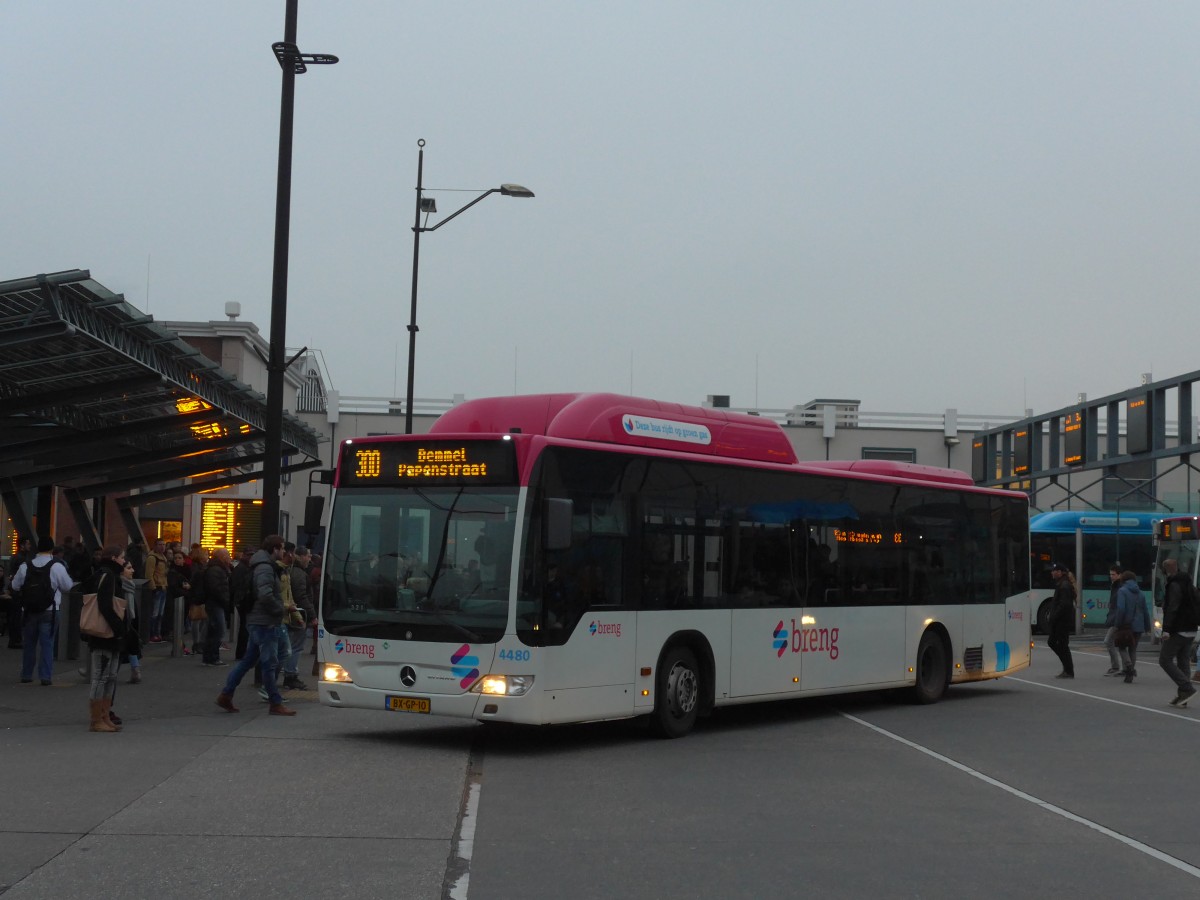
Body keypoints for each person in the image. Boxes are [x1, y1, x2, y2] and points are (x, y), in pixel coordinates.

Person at [215, 535, 296, 716]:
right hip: (264, 621)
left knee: (249, 660)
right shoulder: (265, 568)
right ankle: (275, 702)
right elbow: (265, 595)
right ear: (274, 549)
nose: (283, 552)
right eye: (281, 548)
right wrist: (280, 609)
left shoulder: (259, 565)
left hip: (258, 619)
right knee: (268, 663)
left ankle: (226, 694)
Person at [12, 536, 75, 686]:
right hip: (50, 610)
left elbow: (15, 585)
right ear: (52, 549)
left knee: (29, 643)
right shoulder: (57, 566)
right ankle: (45, 676)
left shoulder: (25, 565)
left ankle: (26, 674)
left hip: (29, 610)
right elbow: (68, 586)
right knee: (47, 644)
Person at [84, 546, 128, 733]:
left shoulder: (106, 574)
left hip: (108, 632)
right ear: (114, 558)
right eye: (121, 558)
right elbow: (105, 604)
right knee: (102, 676)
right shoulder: (108, 576)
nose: (123, 561)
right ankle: (97, 719)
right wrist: (118, 627)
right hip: (106, 632)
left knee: (108, 675)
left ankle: (103, 715)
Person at [1158, 557, 1198, 707]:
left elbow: (1172, 608)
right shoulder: (1189, 583)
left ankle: (1187, 688)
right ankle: (1183, 696)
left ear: (1165, 571)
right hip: (1191, 628)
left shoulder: (1174, 585)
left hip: (1178, 629)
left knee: (1165, 660)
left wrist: (1166, 629)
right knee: (1183, 661)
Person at [281, 546, 314, 690]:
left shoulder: (290, 571)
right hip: (297, 614)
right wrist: (311, 614)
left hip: (291, 613)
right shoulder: (300, 574)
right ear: (301, 556)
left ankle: (287, 673)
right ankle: (290, 675)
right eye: (308, 555)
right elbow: (301, 596)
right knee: (296, 647)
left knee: (288, 646)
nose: (310, 558)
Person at [1113, 570, 1147, 683]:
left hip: (1126, 625)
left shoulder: (1122, 591)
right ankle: (1130, 674)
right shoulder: (1141, 593)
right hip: (1139, 626)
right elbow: (1145, 611)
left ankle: (1129, 667)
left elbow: (1121, 609)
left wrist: (1117, 624)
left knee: (1121, 647)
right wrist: (1147, 626)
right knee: (1133, 649)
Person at [201, 548, 232, 667]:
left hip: (215, 603)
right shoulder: (216, 570)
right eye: (227, 555)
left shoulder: (216, 569)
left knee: (213, 630)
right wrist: (225, 599)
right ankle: (213, 657)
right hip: (215, 603)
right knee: (218, 631)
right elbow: (216, 588)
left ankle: (209, 657)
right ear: (222, 557)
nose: (229, 557)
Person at [1046, 562, 1076, 679]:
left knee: (1060, 644)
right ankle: (1067, 669)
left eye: (1054, 571)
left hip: (1062, 621)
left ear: (1059, 572)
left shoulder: (1064, 585)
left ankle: (1068, 670)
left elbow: (1064, 604)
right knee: (1056, 643)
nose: (1052, 573)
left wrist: (1054, 616)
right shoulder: (1062, 584)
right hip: (1061, 620)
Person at [119, 558, 143, 684]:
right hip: (126, 617)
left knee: (129, 643)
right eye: (128, 568)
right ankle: (135, 670)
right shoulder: (121, 585)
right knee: (128, 643)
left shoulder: (129, 584)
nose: (132, 570)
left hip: (129, 617)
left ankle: (135, 670)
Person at [7, 537, 34, 649]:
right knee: (17, 616)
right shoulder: (22, 559)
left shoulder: (17, 557)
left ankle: (15, 639)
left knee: (15, 615)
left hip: (16, 590)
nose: (30, 546)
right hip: (19, 591)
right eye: (28, 544)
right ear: (22, 545)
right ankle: (16, 639)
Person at [145, 539, 169, 642]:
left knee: (160, 613)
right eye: (160, 544)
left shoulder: (163, 557)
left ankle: (157, 633)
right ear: (155, 546)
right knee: (154, 613)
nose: (162, 547)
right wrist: (153, 587)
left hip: (163, 586)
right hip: (157, 587)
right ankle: (152, 634)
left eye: (163, 545)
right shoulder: (152, 558)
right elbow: (149, 574)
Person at [1102, 565, 1123, 676]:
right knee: (1118, 643)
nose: (1111, 576)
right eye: (1110, 574)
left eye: (1113, 574)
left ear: (1119, 575)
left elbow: (1118, 605)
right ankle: (1122, 667)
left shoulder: (1119, 587)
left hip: (1117, 619)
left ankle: (1116, 667)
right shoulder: (1115, 586)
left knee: (1109, 641)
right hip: (1115, 617)